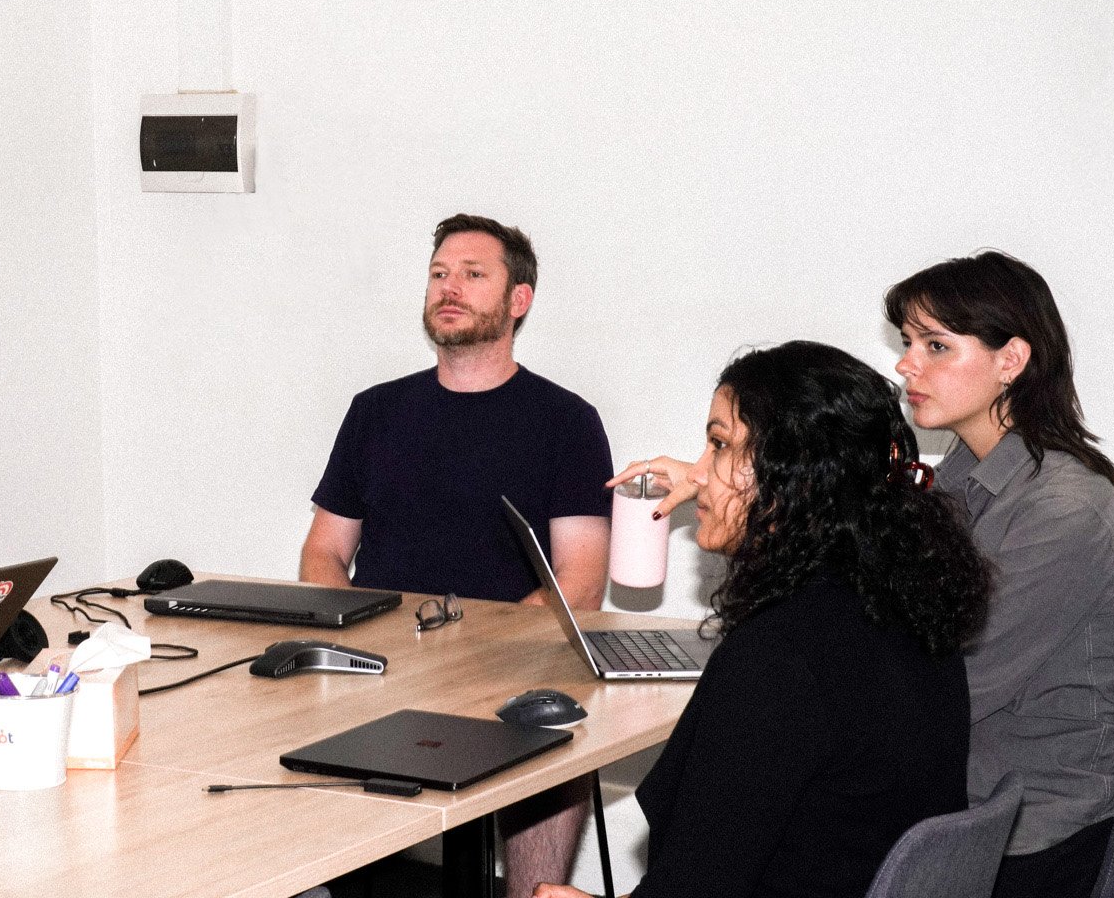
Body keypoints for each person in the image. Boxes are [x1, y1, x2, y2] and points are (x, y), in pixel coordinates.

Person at [536, 341, 991, 898]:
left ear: (795, 474)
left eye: (719, 444)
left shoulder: (782, 658)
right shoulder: (903, 613)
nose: (698, 475)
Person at [301, 213, 612, 895]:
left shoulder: (566, 422)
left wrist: (475, 654)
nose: (450, 287)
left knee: (552, 724)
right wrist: (362, 636)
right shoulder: (375, 411)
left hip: (509, 670)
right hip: (378, 668)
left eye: (473, 275)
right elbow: (324, 553)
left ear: (518, 300)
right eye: (440, 274)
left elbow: (580, 586)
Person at [884, 251, 1114, 898]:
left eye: (936, 346)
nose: (905, 365)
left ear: (1011, 361)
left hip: (1033, 830)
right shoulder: (960, 477)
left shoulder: (1064, 510)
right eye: (908, 343)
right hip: (970, 789)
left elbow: (954, 684)